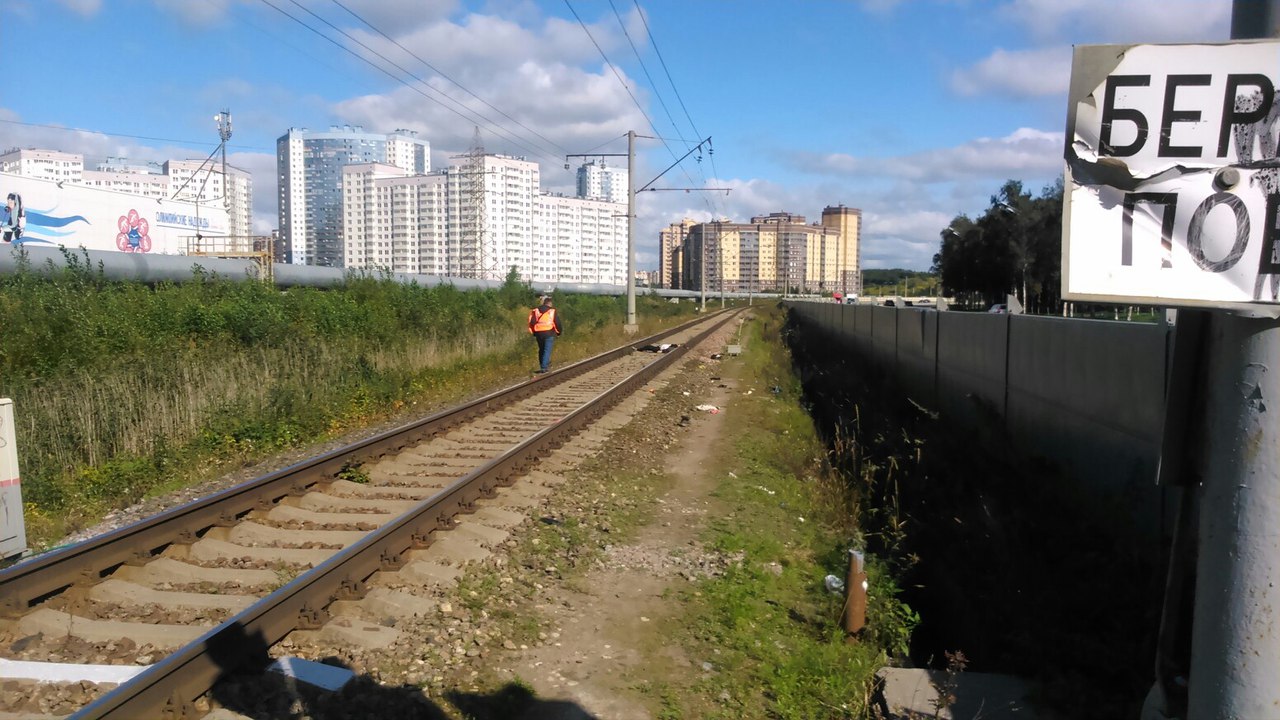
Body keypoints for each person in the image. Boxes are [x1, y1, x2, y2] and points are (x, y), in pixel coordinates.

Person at [528, 295, 562, 374]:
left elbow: (531, 322)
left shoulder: (535, 311)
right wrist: (559, 332)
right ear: (549, 303)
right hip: (549, 332)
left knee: (541, 349)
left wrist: (534, 332)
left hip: (538, 333)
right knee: (547, 350)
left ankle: (542, 365)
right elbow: (557, 323)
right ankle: (544, 367)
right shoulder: (552, 311)